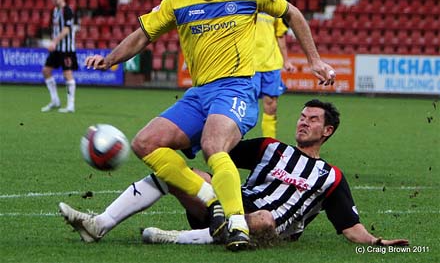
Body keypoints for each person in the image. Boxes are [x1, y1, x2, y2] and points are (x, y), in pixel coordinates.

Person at [82, 0, 335, 251]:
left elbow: (293, 14)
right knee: (145, 143)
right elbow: (142, 36)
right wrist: (109, 59)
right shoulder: (179, 1)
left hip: (236, 89)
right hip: (199, 94)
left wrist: (314, 60)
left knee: (213, 146)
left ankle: (237, 224)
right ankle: (209, 200)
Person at [59, 100, 408, 248]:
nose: (303, 122)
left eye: (313, 119)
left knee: (264, 219)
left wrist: (379, 245)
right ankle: (98, 224)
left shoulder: (330, 176)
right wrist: (181, 137)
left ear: (328, 131)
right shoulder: (272, 148)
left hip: (268, 226)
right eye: (302, 116)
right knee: (180, 174)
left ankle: (175, 238)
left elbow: (350, 227)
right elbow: (218, 150)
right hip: (227, 207)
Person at [249, 0, 294, 138]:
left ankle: (270, 144)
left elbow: (280, 34)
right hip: (249, 65)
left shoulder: (274, 2)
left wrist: (286, 60)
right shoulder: (244, 1)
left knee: (271, 106)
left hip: (271, 63)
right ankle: (236, 144)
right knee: (245, 108)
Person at [41, 0, 77, 113]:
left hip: (66, 49)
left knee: (67, 74)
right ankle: (55, 100)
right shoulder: (54, 11)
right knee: (46, 71)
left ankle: (70, 105)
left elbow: (67, 29)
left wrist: (54, 42)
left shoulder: (67, 11)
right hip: (57, 49)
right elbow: (55, 29)